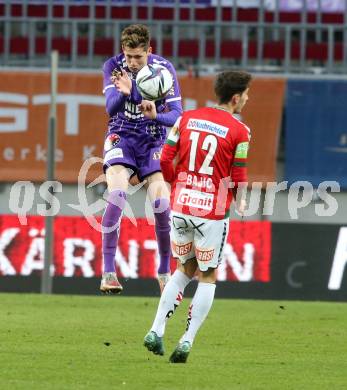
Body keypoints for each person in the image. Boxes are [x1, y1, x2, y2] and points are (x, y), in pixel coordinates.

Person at [143, 70, 252, 363]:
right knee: (208, 275)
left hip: (181, 205)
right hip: (212, 212)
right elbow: (239, 173)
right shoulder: (241, 131)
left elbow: (165, 158)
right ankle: (187, 341)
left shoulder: (186, 118)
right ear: (235, 97)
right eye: (246, 95)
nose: (247, 99)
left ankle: (156, 330)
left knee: (183, 269)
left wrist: (173, 183)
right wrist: (240, 200)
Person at [100, 24, 182, 294]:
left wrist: (143, 101)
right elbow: (110, 109)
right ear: (123, 50)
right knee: (117, 195)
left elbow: (176, 115)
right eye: (129, 56)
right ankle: (108, 272)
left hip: (152, 138)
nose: (133, 62)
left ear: (149, 50)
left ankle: (163, 272)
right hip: (121, 135)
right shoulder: (113, 67)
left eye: (138, 56)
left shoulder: (164, 70)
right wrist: (124, 93)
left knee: (161, 203)